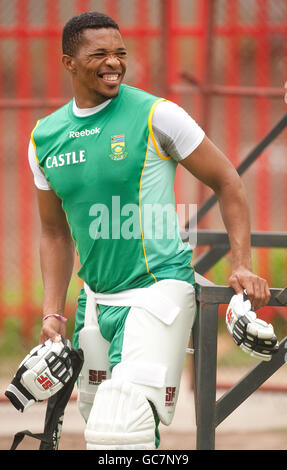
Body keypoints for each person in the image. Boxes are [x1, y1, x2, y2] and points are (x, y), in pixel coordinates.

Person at [28, 11, 270, 450]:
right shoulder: (44, 138)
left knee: (124, 427)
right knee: (98, 425)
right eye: (99, 54)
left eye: (120, 53)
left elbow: (229, 182)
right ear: (69, 62)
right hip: (96, 302)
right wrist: (52, 313)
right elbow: (54, 234)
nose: (113, 63)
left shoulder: (158, 115)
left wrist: (242, 264)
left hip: (158, 289)